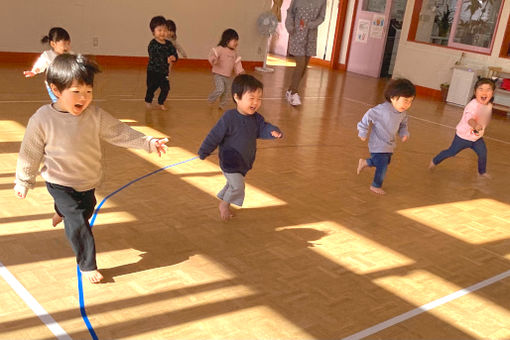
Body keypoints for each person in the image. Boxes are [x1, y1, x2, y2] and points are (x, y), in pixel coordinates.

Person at [14, 54, 169, 283]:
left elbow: (120, 132)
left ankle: (61, 211)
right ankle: (87, 264)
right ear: (56, 90)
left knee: (85, 210)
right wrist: (23, 181)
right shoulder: (42, 119)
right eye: (76, 92)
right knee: (78, 221)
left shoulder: (95, 116)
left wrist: (147, 142)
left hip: (87, 181)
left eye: (88, 91)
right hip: (59, 182)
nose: (84, 98)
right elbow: (30, 152)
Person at [198, 74, 282, 220]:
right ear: (237, 97)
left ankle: (224, 199)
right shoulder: (229, 118)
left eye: (259, 98)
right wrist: (204, 150)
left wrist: (273, 131)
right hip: (230, 160)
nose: (255, 102)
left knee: (233, 183)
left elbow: (264, 128)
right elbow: (214, 135)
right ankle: (224, 205)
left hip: (244, 162)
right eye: (251, 98)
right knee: (238, 186)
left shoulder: (256, 118)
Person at [356, 78, 416, 195]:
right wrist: (362, 132)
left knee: (384, 161)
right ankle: (376, 185)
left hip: (389, 143)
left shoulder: (402, 113)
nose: (407, 104)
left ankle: (365, 163)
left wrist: (404, 133)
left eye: (410, 101)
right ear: (393, 98)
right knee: (382, 164)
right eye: (405, 100)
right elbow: (367, 117)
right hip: (377, 142)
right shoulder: (381, 110)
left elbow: (403, 125)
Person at [429, 78, 495, 177]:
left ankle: (482, 172)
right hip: (463, 137)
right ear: (475, 92)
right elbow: (469, 119)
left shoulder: (489, 105)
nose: (484, 92)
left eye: (488, 89)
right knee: (451, 152)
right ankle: (435, 161)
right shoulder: (472, 105)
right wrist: (475, 125)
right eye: (481, 89)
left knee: (483, 154)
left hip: (477, 138)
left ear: (492, 93)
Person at [284, 0, 326, 106]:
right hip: (297, 34)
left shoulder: (322, 1)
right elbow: (290, 12)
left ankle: (290, 90)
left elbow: (322, 17)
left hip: (311, 36)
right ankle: (294, 93)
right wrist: (290, 26)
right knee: (300, 64)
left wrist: (312, 24)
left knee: (304, 66)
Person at [23, 27, 71, 103]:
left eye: (68, 44)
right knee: (58, 102)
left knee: (67, 100)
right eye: (64, 44)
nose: (67, 47)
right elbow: (40, 64)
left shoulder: (68, 56)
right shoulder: (48, 55)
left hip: (65, 84)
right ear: (53, 44)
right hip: (53, 85)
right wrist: (34, 71)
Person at [145, 16, 178, 111]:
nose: (162, 33)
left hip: (164, 72)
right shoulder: (152, 44)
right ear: (153, 32)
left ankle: (161, 102)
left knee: (166, 88)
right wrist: (165, 59)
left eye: (164, 30)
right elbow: (154, 56)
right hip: (153, 71)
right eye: (159, 30)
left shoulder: (169, 44)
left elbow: (174, 53)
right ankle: (148, 100)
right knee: (151, 88)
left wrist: (174, 57)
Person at [207, 28, 244, 110]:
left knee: (226, 92)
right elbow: (213, 54)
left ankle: (222, 105)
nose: (236, 43)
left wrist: (240, 71)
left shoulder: (234, 53)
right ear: (227, 40)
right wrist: (213, 59)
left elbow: (237, 63)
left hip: (227, 76)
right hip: (218, 74)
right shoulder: (220, 49)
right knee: (220, 89)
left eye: (237, 41)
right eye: (234, 40)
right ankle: (211, 99)